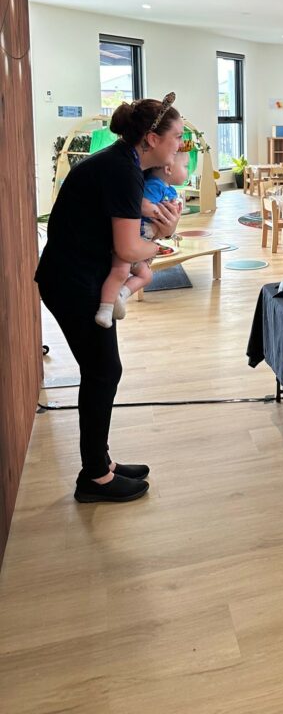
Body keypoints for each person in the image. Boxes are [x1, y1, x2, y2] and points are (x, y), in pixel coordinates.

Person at [35, 94, 184, 504]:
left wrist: (158, 235)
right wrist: (164, 241)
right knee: (103, 372)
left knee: (103, 370)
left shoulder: (122, 162)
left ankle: (102, 463)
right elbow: (130, 248)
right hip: (72, 282)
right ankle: (95, 477)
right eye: (176, 136)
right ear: (152, 138)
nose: (180, 145)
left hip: (77, 276)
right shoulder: (122, 170)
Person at [94, 148, 189, 328]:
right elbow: (141, 205)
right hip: (131, 239)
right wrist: (161, 213)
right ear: (168, 169)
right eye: (185, 166)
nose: (187, 171)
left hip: (143, 241)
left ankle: (120, 295)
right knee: (120, 272)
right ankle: (105, 309)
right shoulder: (154, 185)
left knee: (146, 275)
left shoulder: (168, 189)